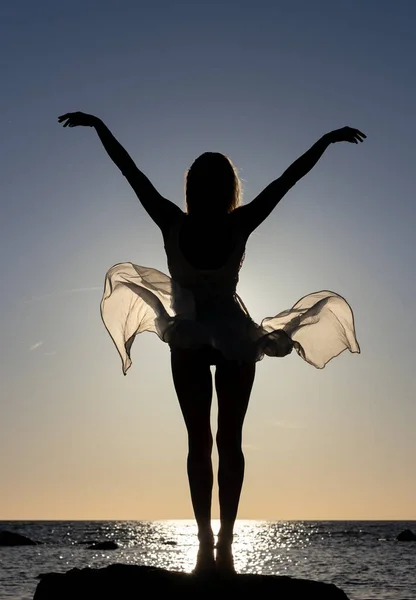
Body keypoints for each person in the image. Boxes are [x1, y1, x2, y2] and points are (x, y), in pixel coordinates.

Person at [58, 112, 365, 572]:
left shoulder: (174, 221)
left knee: (202, 441)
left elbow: (131, 172)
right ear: (227, 189)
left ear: (194, 187)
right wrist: (326, 139)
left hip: (194, 339)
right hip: (234, 340)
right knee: (226, 441)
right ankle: (219, 548)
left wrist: (99, 126)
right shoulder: (233, 223)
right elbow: (287, 179)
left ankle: (211, 547)